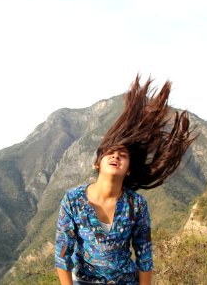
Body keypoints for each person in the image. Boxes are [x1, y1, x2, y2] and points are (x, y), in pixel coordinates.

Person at [55, 75, 197, 285]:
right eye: (109, 153)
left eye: (122, 155)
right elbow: (62, 255)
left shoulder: (136, 205)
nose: (115, 156)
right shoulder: (73, 200)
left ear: (129, 169)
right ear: (97, 163)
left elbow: (144, 256)